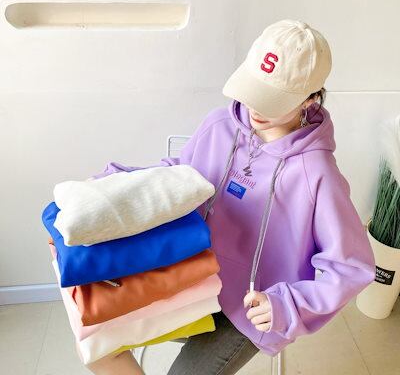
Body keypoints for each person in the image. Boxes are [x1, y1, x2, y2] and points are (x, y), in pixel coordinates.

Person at [84, 19, 376, 375]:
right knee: (95, 344)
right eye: (253, 89)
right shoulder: (219, 126)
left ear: (310, 99)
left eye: (272, 99)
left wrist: (288, 305)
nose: (256, 107)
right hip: (191, 276)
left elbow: (350, 267)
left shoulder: (317, 173)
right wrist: (115, 185)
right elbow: (180, 177)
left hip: (247, 309)